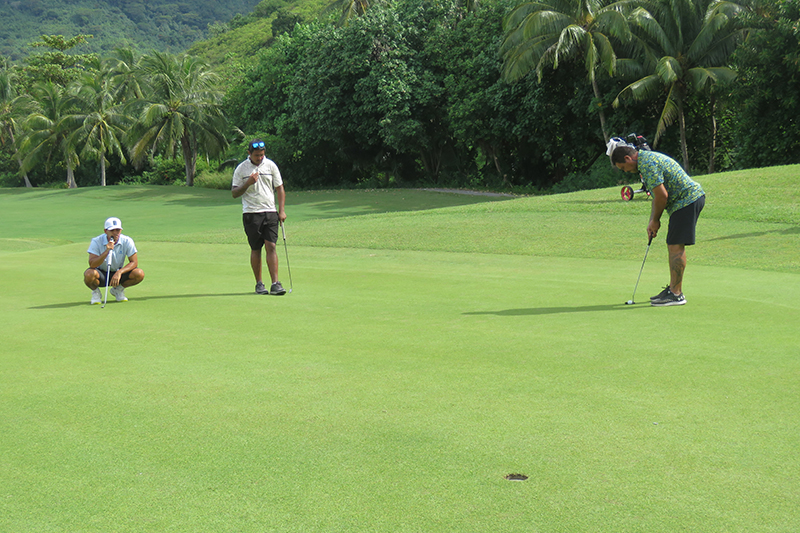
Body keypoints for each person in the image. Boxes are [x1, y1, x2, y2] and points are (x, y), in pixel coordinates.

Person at [610, 144, 705, 306]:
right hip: (684, 202)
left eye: (624, 167)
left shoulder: (646, 164)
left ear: (628, 158)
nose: (625, 171)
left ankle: (676, 294)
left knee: (675, 245)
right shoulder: (645, 161)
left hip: (687, 200)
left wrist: (656, 220)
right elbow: (656, 197)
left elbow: (662, 196)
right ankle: (674, 290)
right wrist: (652, 220)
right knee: (673, 244)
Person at [231, 139, 288, 295]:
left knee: (272, 246)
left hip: (270, 212)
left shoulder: (270, 166)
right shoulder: (241, 169)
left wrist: (281, 210)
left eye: (262, 155)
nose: (260, 158)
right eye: (257, 155)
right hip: (251, 213)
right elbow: (234, 193)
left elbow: (280, 188)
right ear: (249, 154)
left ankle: (275, 283)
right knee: (256, 248)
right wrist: (248, 183)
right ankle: (259, 284)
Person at [84, 217, 145, 304]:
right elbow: (92, 264)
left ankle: (118, 290)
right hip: (101, 274)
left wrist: (119, 272)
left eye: (118, 230)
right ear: (106, 231)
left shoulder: (127, 241)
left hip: (118, 274)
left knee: (139, 273)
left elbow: (134, 262)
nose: (116, 233)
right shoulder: (96, 241)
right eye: (112, 230)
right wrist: (106, 251)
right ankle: (96, 293)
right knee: (89, 274)